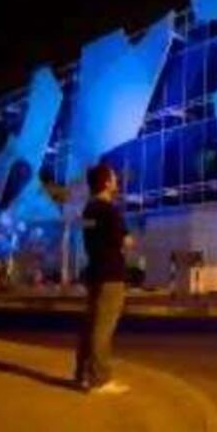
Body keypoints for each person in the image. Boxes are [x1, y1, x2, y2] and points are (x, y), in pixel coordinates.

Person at [74, 163, 134, 395]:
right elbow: (125, 241)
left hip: (95, 272)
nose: (117, 181)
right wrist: (127, 241)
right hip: (111, 274)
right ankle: (99, 379)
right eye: (114, 178)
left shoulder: (89, 210)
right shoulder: (110, 211)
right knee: (103, 328)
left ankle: (82, 374)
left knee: (91, 325)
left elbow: (92, 237)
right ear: (106, 183)